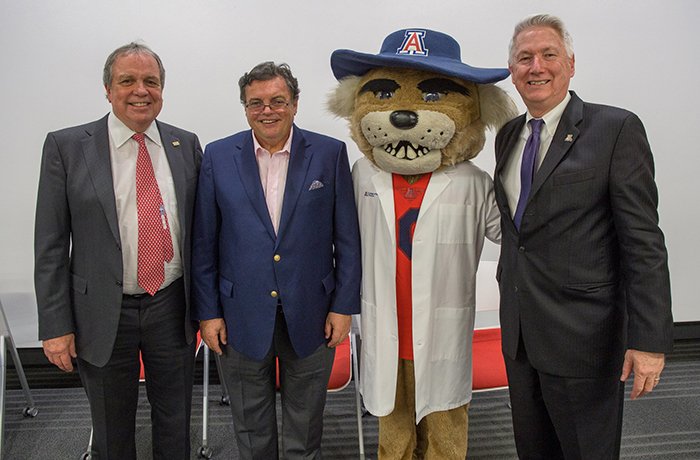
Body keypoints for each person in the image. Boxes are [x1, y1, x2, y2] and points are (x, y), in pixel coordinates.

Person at [494, 14, 674, 459]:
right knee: (534, 450)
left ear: (570, 64)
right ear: (512, 70)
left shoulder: (614, 129)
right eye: (524, 58)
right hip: (520, 335)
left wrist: (650, 341)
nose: (536, 66)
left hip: (584, 337)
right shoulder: (508, 136)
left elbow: (643, 242)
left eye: (548, 55)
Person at [34, 42, 202, 459]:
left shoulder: (187, 145)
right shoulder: (67, 147)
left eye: (151, 81)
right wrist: (55, 326)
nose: (140, 90)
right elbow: (51, 244)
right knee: (111, 428)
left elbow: (202, 234)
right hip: (102, 312)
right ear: (108, 89)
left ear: (163, 89)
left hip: (171, 304)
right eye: (127, 81)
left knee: (174, 422)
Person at [191, 61, 361, 459]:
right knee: (251, 428)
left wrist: (343, 306)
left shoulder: (328, 154)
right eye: (256, 103)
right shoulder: (217, 156)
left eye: (277, 101)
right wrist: (208, 313)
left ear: (295, 104)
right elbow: (204, 243)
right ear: (245, 107)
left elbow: (347, 239)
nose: (267, 110)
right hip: (238, 315)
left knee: (306, 426)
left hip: (313, 312)